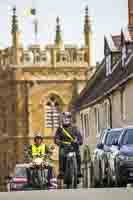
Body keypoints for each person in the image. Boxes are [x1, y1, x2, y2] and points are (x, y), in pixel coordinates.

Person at [54, 112, 83, 179]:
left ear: (70, 119)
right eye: (64, 118)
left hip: (73, 146)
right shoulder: (60, 128)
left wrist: (79, 142)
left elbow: (79, 137)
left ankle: (78, 171)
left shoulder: (75, 128)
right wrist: (58, 141)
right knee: (61, 154)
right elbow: (56, 137)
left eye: (67, 117)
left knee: (78, 155)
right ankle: (61, 171)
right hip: (64, 146)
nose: (66, 119)